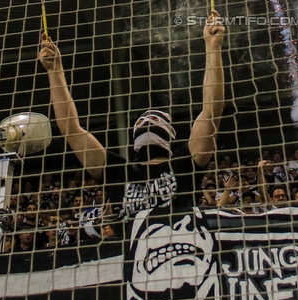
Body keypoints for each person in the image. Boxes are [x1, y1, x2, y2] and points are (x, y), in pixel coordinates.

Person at [38, 12, 226, 218]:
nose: (146, 121)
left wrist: (213, 47)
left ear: (170, 133)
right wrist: (54, 71)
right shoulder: (118, 172)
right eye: (141, 121)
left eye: (154, 119)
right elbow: (70, 129)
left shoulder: (184, 163)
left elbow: (211, 112)